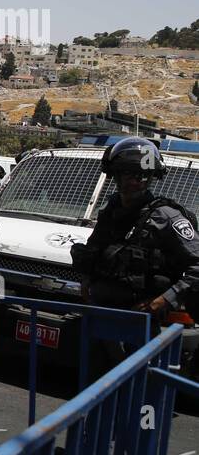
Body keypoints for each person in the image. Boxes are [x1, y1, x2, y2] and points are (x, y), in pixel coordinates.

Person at [71, 138, 199, 322]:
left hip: (143, 321)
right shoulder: (111, 210)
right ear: (115, 175)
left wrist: (164, 300)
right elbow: (95, 248)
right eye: (128, 174)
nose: (136, 181)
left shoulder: (165, 216)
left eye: (143, 176)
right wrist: (87, 279)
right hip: (101, 312)